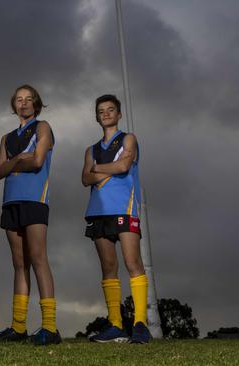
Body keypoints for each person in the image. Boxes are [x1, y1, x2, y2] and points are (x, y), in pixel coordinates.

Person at [0, 85, 61, 345]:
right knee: (19, 265)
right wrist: (19, 158)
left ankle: (50, 328)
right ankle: (18, 327)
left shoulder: (43, 127)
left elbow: (38, 161)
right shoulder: (6, 138)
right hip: (11, 201)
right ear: (14, 105)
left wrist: (13, 163)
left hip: (35, 200)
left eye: (29, 99)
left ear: (36, 104)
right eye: (19, 99)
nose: (24, 103)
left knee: (39, 259)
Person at [81, 94, 151, 344]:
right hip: (98, 210)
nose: (106, 113)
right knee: (108, 268)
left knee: (133, 263)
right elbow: (85, 178)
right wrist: (107, 167)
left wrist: (98, 168)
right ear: (97, 116)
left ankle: (141, 323)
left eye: (111, 109)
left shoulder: (128, 138)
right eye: (101, 111)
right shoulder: (91, 149)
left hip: (124, 207)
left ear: (119, 114)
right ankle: (115, 324)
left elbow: (123, 167)